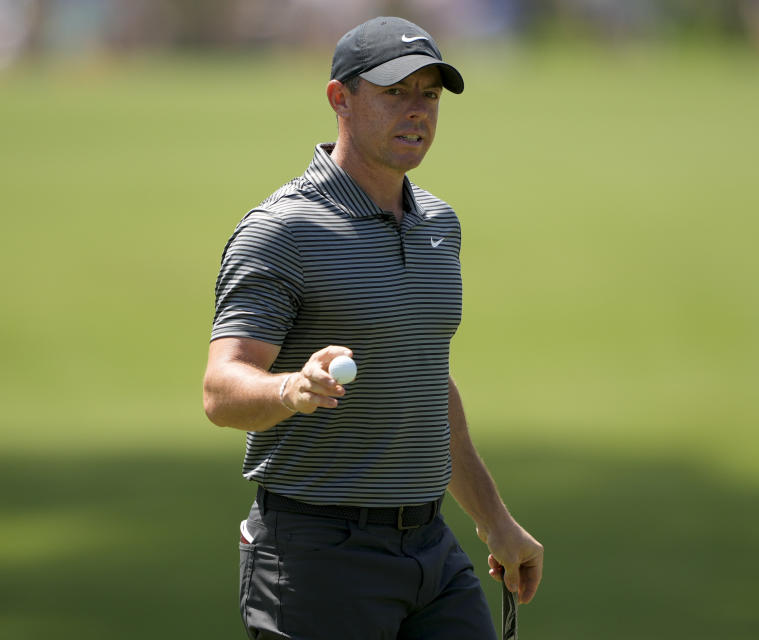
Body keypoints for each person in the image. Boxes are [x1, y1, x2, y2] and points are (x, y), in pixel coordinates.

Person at [202, 16, 543, 640]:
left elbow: (426, 381)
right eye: (395, 92)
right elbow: (221, 392)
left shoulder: (438, 224)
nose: (417, 112)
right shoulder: (283, 231)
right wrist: (291, 390)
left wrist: (494, 519)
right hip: (317, 557)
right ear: (341, 98)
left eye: (429, 95)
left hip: (431, 551)